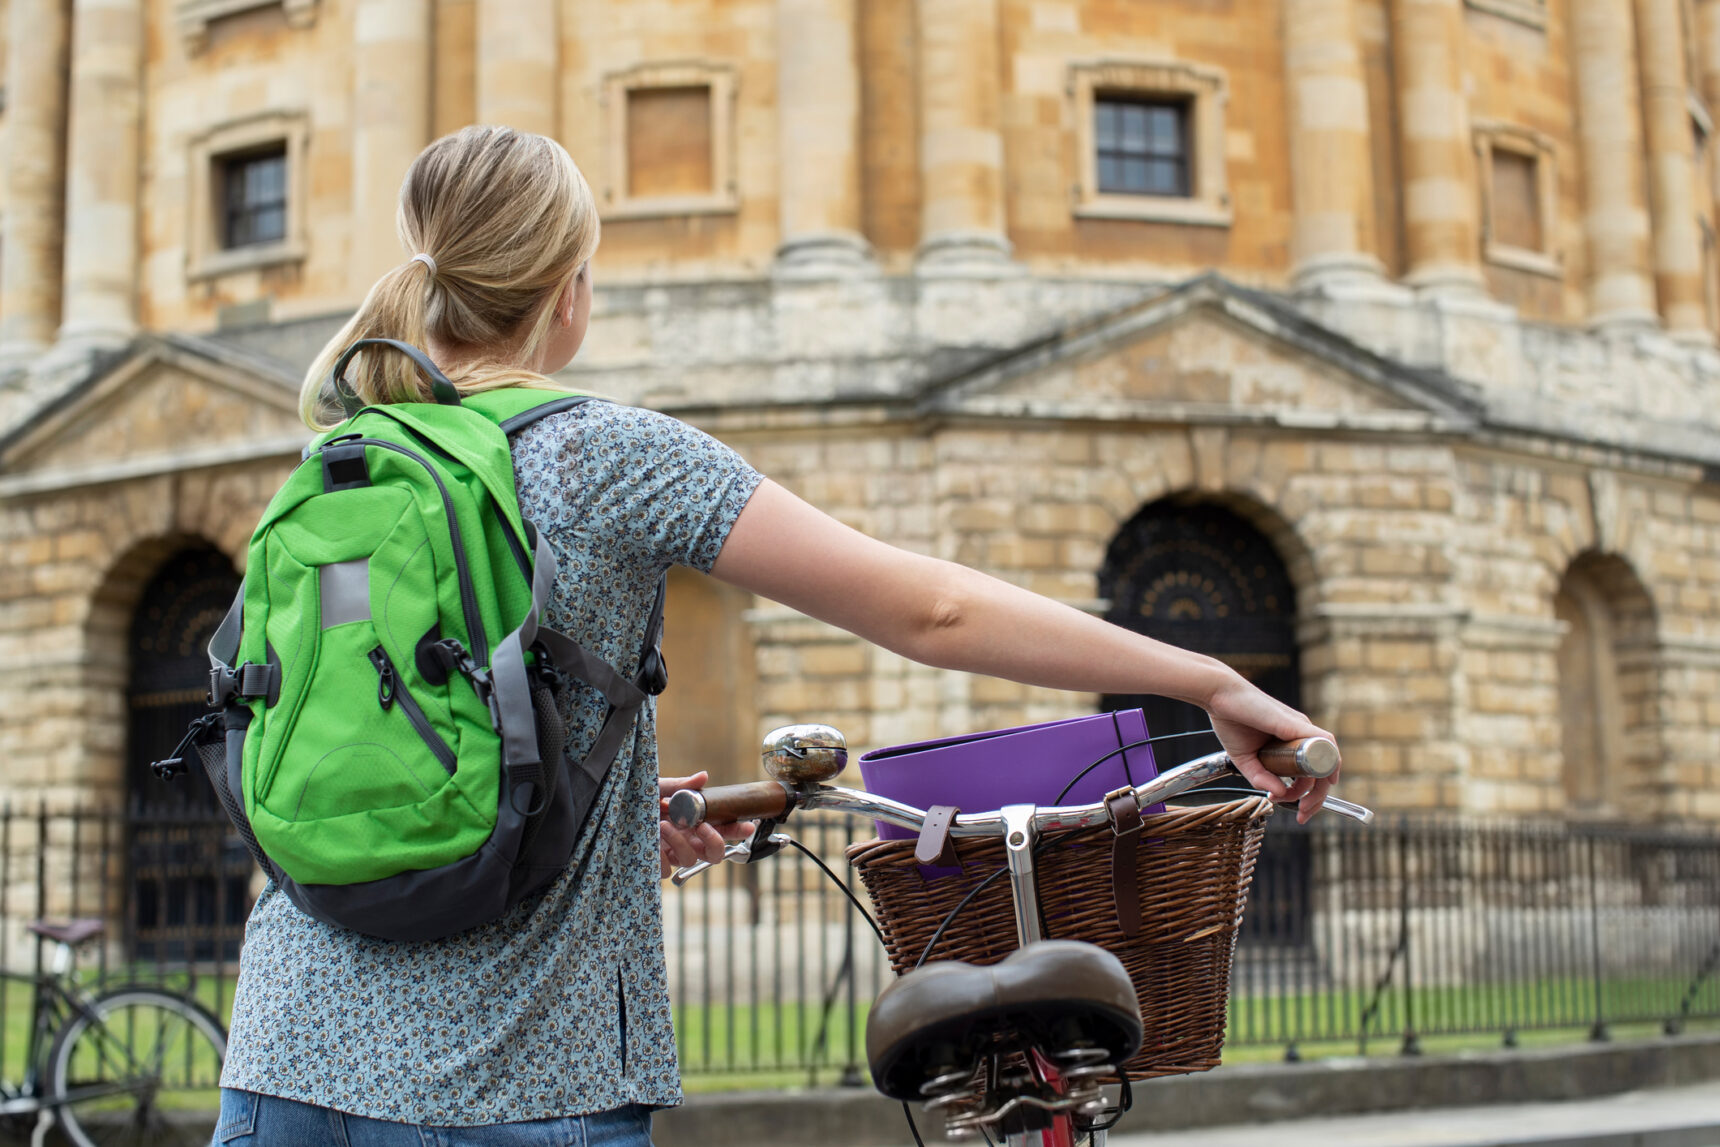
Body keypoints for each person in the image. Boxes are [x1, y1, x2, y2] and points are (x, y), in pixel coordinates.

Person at [215, 124, 1338, 1146]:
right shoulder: (609, 452)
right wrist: (1205, 677)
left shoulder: (341, 457)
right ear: (568, 289)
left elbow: (357, 729)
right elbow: (925, 610)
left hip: (281, 1052)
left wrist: (597, 821)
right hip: (509, 1078)